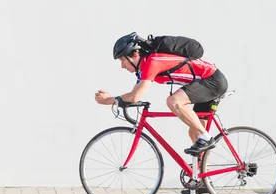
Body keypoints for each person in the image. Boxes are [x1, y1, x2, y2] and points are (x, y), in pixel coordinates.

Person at [94, 32, 228, 156]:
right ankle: (202, 176)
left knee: (173, 101)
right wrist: (116, 99)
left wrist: (109, 100)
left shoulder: (153, 62)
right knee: (194, 132)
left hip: (213, 81)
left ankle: (207, 138)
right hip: (204, 82)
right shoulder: (144, 68)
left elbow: (135, 97)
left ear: (135, 55)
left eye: (122, 60)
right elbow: (133, 94)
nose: (122, 66)